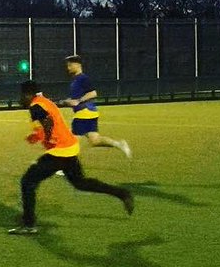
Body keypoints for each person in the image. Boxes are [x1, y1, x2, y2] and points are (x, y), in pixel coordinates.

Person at [8, 81, 134, 235]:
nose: (21, 98)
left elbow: (48, 121)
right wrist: (37, 135)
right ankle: (122, 194)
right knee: (80, 183)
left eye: (22, 95)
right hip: (69, 148)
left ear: (28, 94)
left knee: (27, 182)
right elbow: (47, 122)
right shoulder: (43, 101)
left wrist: (47, 138)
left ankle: (29, 224)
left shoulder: (36, 106)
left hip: (59, 152)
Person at [61, 55, 131, 158]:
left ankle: (66, 166)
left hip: (84, 113)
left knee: (72, 141)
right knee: (95, 140)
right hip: (89, 113)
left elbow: (93, 93)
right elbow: (77, 98)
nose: (68, 68)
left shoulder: (82, 78)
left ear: (78, 65)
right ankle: (119, 144)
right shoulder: (76, 79)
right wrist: (68, 101)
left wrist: (78, 101)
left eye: (70, 65)